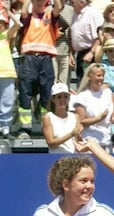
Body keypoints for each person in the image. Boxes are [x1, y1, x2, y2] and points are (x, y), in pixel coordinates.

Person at [17, 0, 63, 139]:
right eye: (36, 0)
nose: (38, 2)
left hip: (46, 59)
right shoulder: (28, 17)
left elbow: (59, 7)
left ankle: (45, 126)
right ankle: (25, 128)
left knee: (46, 93)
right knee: (25, 92)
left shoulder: (50, 16)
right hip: (29, 58)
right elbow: (24, 12)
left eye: (41, 1)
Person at [73, 63, 114, 151]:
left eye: (103, 76)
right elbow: (81, 122)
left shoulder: (107, 93)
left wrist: (113, 119)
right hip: (89, 143)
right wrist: (98, 118)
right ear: (90, 77)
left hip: (106, 141)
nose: (101, 78)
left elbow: (110, 116)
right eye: (98, 76)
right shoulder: (82, 96)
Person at [42, 83, 83, 153]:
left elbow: (78, 141)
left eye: (65, 97)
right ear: (53, 99)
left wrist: (78, 136)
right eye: (59, 97)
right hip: (56, 158)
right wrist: (71, 134)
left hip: (73, 157)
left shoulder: (75, 117)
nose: (63, 100)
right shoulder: (48, 118)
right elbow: (51, 143)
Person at [0, 4, 21, 139]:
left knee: (7, 101)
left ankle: (5, 127)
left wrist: (8, 12)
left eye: (1, 22)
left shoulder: (5, 36)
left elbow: (18, 24)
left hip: (7, 73)